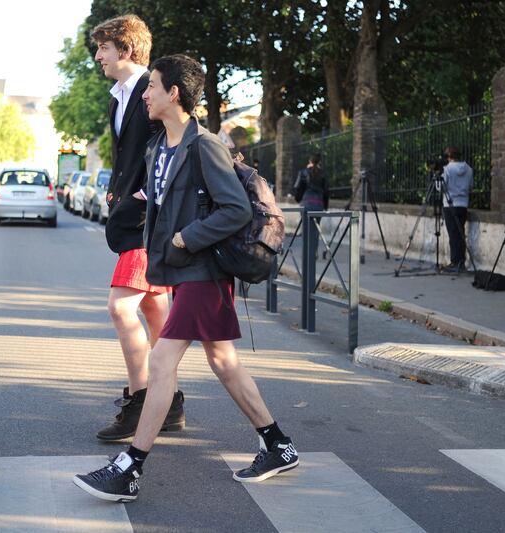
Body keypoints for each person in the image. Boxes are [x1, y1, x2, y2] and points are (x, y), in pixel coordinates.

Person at [73, 54, 298, 502]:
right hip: (180, 271)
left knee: (160, 363)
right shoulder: (159, 147)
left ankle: (129, 468)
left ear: (174, 93)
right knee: (223, 360)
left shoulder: (204, 145)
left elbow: (234, 209)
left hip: (204, 271)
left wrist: (186, 238)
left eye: (152, 86)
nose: (146, 94)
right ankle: (277, 444)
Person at [91, 14, 184, 441]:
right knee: (153, 309)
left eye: (104, 48)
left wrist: (140, 199)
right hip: (132, 217)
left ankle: (141, 399)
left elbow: (171, 147)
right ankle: (171, 402)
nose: (98, 56)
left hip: (149, 221)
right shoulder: (118, 97)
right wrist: (116, 192)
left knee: (120, 307)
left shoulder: (154, 88)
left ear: (126, 49)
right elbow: (128, 157)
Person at [441, 147, 473, 272]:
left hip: (450, 205)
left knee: (453, 235)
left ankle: (455, 262)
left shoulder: (447, 169)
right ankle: (461, 262)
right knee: (460, 233)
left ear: (448, 157)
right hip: (463, 204)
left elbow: (441, 187)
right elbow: (470, 186)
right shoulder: (468, 169)